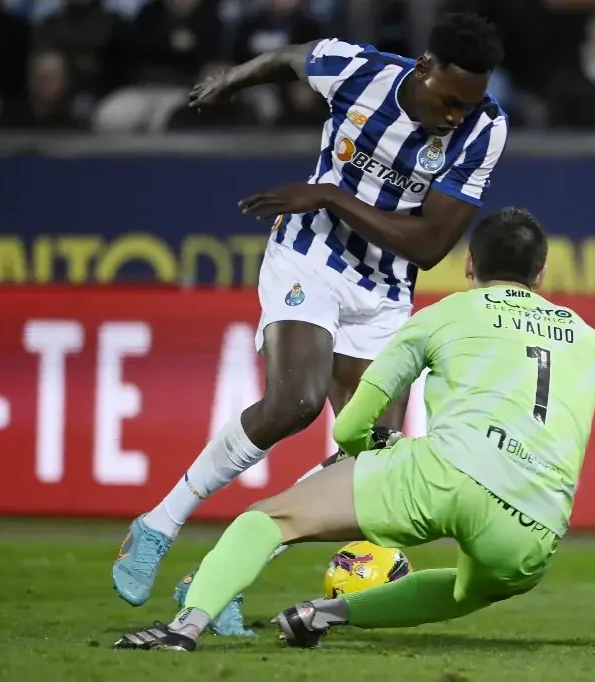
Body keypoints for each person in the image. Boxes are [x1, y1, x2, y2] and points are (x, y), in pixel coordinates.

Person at [114, 207, 595, 652]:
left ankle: (184, 629)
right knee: (469, 589)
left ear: (469, 267)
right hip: (534, 525)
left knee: (269, 520)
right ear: (540, 275)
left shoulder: (442, 313)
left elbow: (360, 414)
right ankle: (323, 617)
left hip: (440, 476)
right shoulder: (591, 342)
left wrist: (359, 455)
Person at [111, 11, 509, 638]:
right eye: (451, 100)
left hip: (384, 291)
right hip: (310, 256)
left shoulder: (485, 129)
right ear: (424, 68)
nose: (458, 115)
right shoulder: (359, 72)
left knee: (368, 458)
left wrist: (329, 194)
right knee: (294, 401)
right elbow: (293, 55)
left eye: (471, 103)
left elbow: (430, 245)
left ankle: (226, 568)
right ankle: (159, 523)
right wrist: (231, 79)